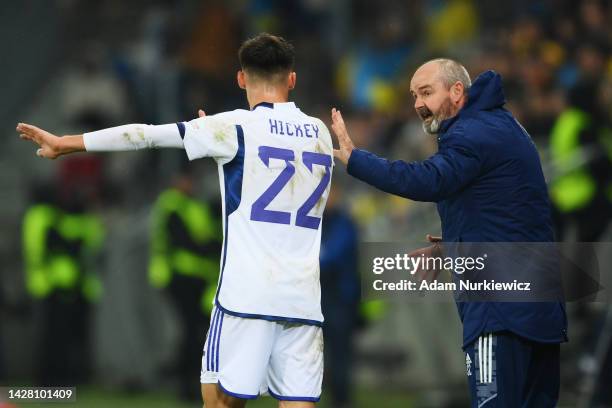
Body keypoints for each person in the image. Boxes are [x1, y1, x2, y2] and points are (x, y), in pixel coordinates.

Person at [17, 33, 334, 408]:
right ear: (292, 80)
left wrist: (67, 142)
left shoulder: (234, 127)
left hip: (247, 294)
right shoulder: (320, 132)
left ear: (241, 79)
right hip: (303, 297)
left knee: (218, 401)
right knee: (299, 403)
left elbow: (145, 136)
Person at [331, 59, 567, 407]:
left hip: (499, 312)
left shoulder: (472, 132)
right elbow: (512, 212)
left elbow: (428, 180)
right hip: (538, 309)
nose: (417, 104)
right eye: (413, 95)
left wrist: (355, 160)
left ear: (457, 90)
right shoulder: (502, 125)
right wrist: (452, 246)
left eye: (426, 92)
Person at [149, 169, 222, 401]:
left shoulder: (193, 205)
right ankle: (185, 386)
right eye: (187, 179)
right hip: (179, 277)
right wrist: (211, 247)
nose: (190, 184)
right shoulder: (172, 205)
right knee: (190, 332)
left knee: (195, 332)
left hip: (198, 278)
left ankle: (192, 384)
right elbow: (185, 241)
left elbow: (206, 236)